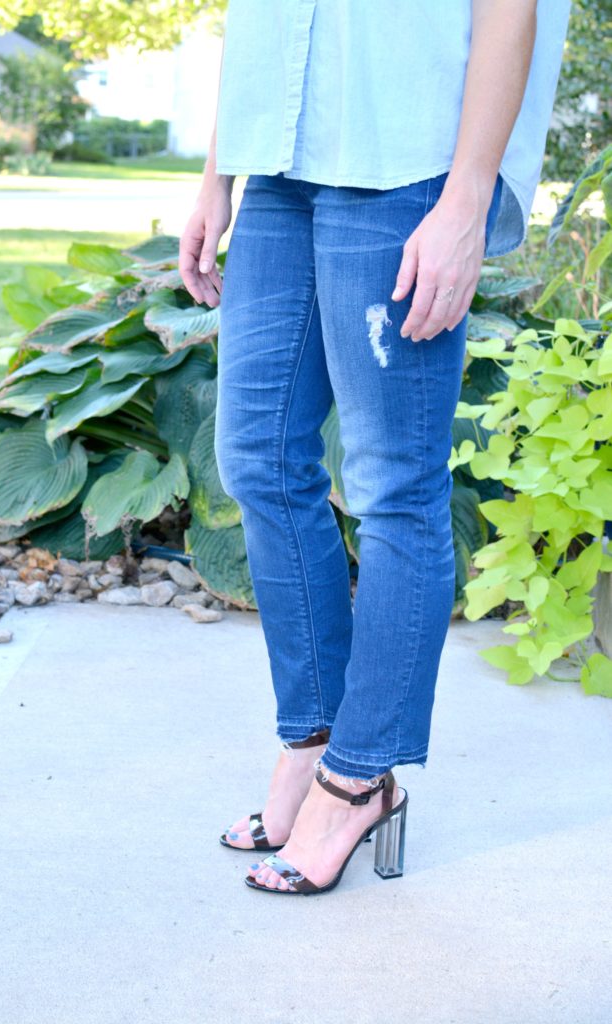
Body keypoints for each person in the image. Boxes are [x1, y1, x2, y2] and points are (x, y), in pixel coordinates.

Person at [178, 0, 572, 896]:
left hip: (406, 163)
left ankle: (357, 777)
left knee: (394, 488)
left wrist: (466, 196)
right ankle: (310, 741)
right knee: (257, 460)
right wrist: (217, 173)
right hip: (277, 166)